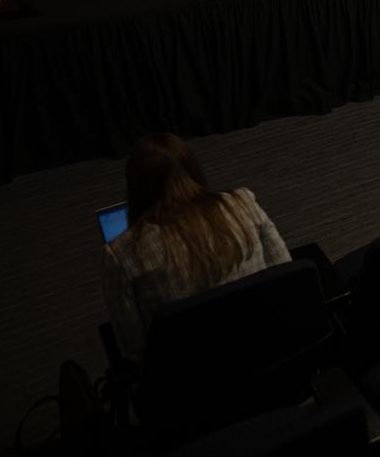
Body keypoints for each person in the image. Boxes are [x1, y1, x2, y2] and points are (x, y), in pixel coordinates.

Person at [102, 133, 291, 359]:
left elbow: (134, 349)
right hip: (272, 359)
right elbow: (284, 274)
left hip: (193, 387)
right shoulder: (242, 203)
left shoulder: (122, 253)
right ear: (193, 169)